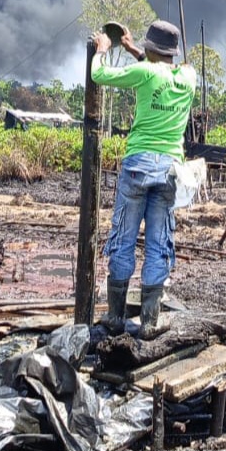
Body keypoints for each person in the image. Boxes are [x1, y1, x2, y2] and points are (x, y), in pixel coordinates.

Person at [90, 20, 196, 339]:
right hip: (171, 170)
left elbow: (99, 74)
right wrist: (137, 49)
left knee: (123, 238)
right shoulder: (189, 77)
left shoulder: (145, 73)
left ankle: (115, 317)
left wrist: (103, 50)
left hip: (139, 164)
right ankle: (150, 321)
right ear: (172, 53)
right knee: (158, 243)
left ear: (149, 49)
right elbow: (160, 68)